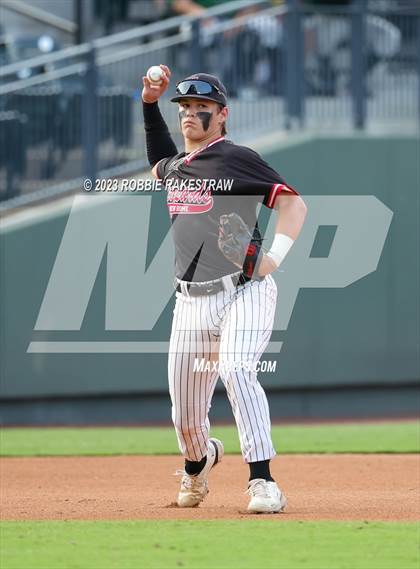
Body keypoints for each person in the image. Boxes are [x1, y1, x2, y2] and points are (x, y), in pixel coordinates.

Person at [141, 65, 307, 513]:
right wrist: (149, 104)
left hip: (244, 289)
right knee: (186, 415)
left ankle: (263, 483)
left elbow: (293, 204)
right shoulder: (178, 167)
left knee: (236, 370)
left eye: (202, 108)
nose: (191, 114)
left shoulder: (235, 157)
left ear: (223, 115)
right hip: (190, 301)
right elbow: (159, 159)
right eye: (186, 108)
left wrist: (274, 257)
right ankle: (200, 463)